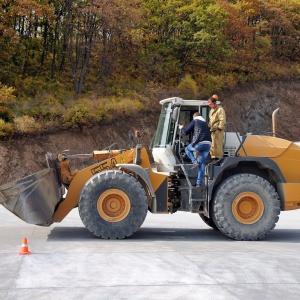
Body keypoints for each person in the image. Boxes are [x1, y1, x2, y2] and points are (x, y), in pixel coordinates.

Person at [179, 112, 211, 187]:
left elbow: (185, 133)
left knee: (187, 149)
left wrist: (181, 128)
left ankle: (194, 161)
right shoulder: (205, 123)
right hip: (208, 144)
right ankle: (198, 183)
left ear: (194, 117)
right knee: (202, 164)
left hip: (199, 143)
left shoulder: (195, 121)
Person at [208, 94, 226, 160]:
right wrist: (208, 126)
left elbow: (222, 119)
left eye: (210, 104)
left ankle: (217, 158)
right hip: (212, 130)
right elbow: (211, 120)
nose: (209, 105)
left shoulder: (220, 110)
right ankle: (213, 156)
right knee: (213, 145)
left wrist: (219, 127)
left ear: (214, 103)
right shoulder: (211, 110)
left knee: (217, 144)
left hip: (218, 130)